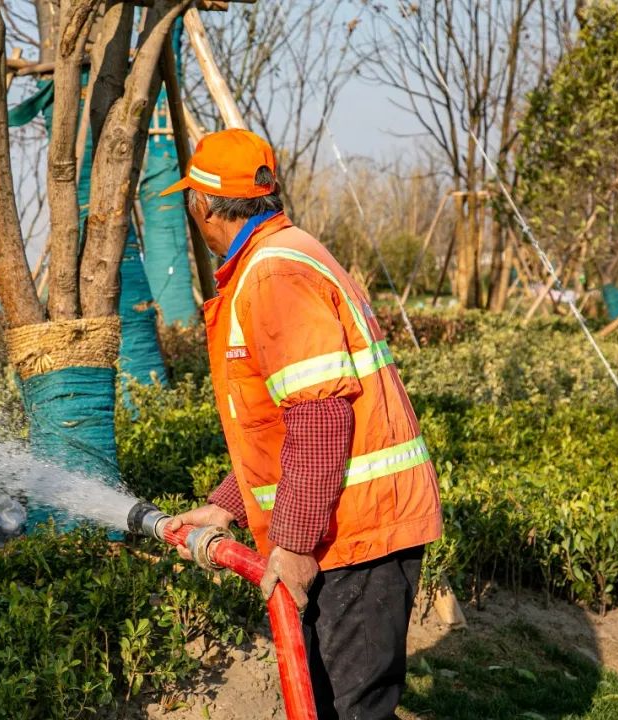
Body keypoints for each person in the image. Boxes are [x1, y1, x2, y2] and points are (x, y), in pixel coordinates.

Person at [160, 129, 442, 719]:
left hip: (356, 535)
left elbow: (318, 418)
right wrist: (228, 506)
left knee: (349, 711)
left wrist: (291, 545)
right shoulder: (284, 257)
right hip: (345, 525)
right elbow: (289, 423)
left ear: (204, 205)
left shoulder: (274, 276)